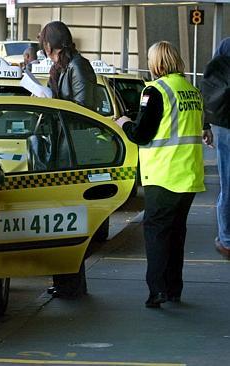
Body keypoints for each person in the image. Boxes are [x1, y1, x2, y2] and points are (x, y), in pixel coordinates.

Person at [116, 41, 205, 308]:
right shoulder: (191, 91)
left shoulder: (155, 91)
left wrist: (124, 124)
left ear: (158, 64)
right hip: (188, 175)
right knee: (177, 233)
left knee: (156, 233)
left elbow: (142, 134)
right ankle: (174, 288)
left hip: (164, 175)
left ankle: (157, 291)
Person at [38, 21, 98, 299]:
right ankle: (64, 281)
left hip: (74, 152)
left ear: (52, 43)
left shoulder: (78, 66)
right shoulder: (62, 67)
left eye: (45, 44)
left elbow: (84, 110)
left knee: (71, 219)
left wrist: (56, 102)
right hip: (63, 151)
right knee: (62, 219)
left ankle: (72, 283)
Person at [200, 38, 230, 259]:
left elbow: (211, 83)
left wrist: (207, 123)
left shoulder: (226, 45)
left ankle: (227, 240)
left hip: (226, 123)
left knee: (227, 183)